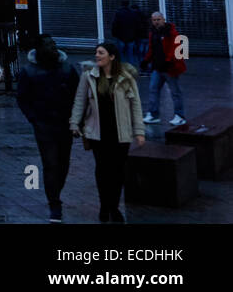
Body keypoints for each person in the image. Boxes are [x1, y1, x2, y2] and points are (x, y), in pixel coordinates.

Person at [70, 41, 146, 223]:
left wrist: (139, 131)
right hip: (97, 133)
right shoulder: (89, 77)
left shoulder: (126, 78)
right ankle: (105, 206)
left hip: (121, 133)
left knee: (118, 172)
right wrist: (74, 123)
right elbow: (80, 101)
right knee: (103, 171)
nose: (97, 56)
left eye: (101, 53)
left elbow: (135, 105)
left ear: (111, 57)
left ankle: (114, 206)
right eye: (96, 52)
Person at [16, 35, 80, 222]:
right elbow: (22, 97)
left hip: (65, 122)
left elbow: (78, 94)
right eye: (48, 46)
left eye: (53, 45)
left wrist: (77, 119)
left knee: (63, 163)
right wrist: (33, 118)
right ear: (39, 49)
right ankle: (54, 203)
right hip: (44, 124)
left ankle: (55, 192)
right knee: (50, 163)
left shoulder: (67, 68)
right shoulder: (29, 71)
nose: (52, 48)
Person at [143, 12, 187, 126]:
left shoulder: (171, 32)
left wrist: (170, 61)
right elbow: (152, 48)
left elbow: (176, 48)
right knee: (153, 90)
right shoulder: (153, 33)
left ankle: (179, 115)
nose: (156, 22)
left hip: (169, 68)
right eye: (154, 20)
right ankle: (153, 114)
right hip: (158, 67)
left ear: (163, 19)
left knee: (175, 92)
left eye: (158, 19)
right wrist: (146, 60)